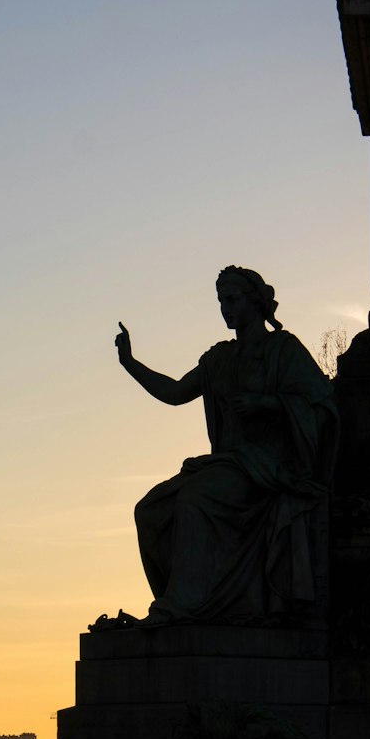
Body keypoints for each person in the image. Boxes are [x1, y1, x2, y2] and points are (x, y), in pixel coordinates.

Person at [115, 267, 338, 626]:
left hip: (268, 469)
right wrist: (130, 363)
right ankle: (182, 600)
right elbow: (174, 393)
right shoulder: (218, 359)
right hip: (230, 465)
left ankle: (184, 606)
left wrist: (270, 403)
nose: (225, 309)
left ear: (256, 301)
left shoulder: (283, 349)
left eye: (232, 300)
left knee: (195, 498)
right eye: (221, 302)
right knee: (151, 510)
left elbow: (322, 407)